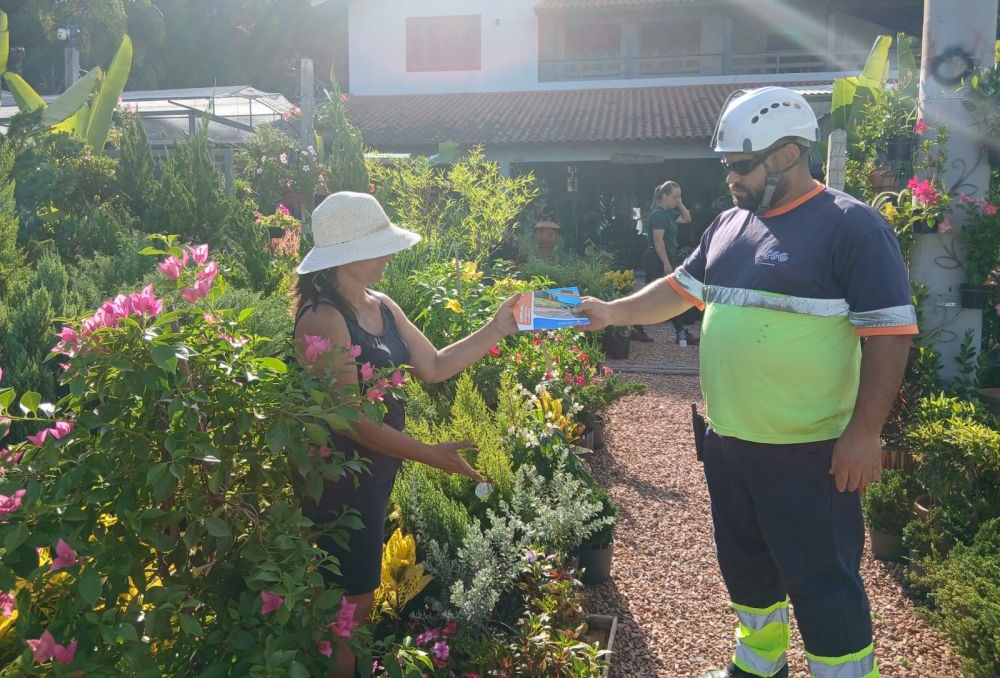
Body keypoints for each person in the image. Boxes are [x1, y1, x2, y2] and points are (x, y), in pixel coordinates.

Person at [574, 86, 915, 678]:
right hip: (730, 444)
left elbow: (890, 336)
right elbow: (679, 291)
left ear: (787, 154)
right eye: (726, 164)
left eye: (740, 165)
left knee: (822, 581)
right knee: (747, 570)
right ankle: (759, 666)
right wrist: (612, 311)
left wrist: (865, 434)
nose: (730, 178)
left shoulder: (853, 228)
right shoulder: (730, 225)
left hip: (809, 452)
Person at [292, 191, 521, 677]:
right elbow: (349, 419)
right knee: (346, 613)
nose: (391, 254)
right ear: (347, 253)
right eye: (380, 245)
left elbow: (434, 365)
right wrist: (428, 453)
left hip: (374, 475)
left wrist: (496, 327)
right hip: (339, 483)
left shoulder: (382, 306)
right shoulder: (322, 317)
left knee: (357, 605)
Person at [639, 180, 698, 346]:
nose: (677, 200)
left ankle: (680, 332)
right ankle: (632, 325)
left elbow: (687, 218)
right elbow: (658, 240)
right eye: (674, 197)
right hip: (656, 258)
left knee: (664, 296)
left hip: (663, 257)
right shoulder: (658, 214)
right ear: (664, 196)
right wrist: (666, 263)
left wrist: (679, 203)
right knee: (657, 295)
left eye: (679, 197)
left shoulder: (668, 213)